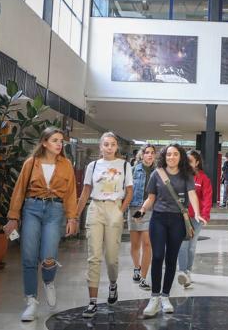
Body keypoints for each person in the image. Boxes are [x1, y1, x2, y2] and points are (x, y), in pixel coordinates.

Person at [3, 127, 78, 322]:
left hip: (55, 210)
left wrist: (72, 217)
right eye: (55, 140)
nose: (59, 144)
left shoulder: (66, 165)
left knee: (48, 255)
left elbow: (71, 193)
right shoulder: (31, 163)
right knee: (28, 256)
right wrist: (13, 217)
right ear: (44, 142)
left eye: (61, 140)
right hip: (31, 208)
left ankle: (49, 281)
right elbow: (19, 190)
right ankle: (31, 301)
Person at [135, 143, 207, 318]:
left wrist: (197, 213)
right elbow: (151, 197)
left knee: (171, 259)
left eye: (175, 154)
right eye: (168, 155)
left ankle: (165, 296)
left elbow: (191, 195)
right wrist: (142, 210)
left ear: (180, 156)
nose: (171, 157)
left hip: (177, 221)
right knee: (158, 256)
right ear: (164, 157)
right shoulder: (156, 174)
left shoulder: (186, 175)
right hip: (158, 219)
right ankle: (154, 298)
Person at [75, 132, 133, 318]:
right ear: (100, 147)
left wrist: (120, 211)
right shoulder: (92, 166)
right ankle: (92, 302)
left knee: (112, 258)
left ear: (117, 147)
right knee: (94, 257)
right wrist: (75, 216)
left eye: (113, 144)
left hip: (114, 209)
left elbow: (129, 192)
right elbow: (85, 191)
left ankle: (113, 284)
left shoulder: (124, 165)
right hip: (95, 209)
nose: (109, 147)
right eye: (106, 144)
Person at [177, 150, 212, 288]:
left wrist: (204, 215)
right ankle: (183, 272)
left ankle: (188, 271)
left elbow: (207, 199)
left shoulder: (203, 178)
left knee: (191, 247)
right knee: (183, 245)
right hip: (180, 216)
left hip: (196, 218)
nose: (187, 163)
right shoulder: (179, 176)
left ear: (197, 162)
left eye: (190, 161)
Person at [128, 144, 155, 291]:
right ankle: (136, 268)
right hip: (134, 208)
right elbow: (127, 190)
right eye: (147, 153)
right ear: (142, 155)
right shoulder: (133, 170)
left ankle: (144, 278)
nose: (150, 155)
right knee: (135, 245)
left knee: (147, 244)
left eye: (152, 153)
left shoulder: (157, 172)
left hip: (150, 210)